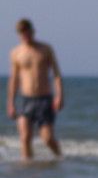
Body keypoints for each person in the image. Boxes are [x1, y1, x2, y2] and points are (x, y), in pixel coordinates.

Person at [7, 18, 64, 161]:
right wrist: (11, 103)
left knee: (47, 139)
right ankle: (28, 171)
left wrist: (59, 95)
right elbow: (14, 79)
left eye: (27, 32)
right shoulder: (16, 53)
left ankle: (61, 158)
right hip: (26, 99)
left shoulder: (45, 49)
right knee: (25, 138)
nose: (25, 36)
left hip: (44, 99)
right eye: (21, 33)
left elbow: (56, 74)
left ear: (32, 31)